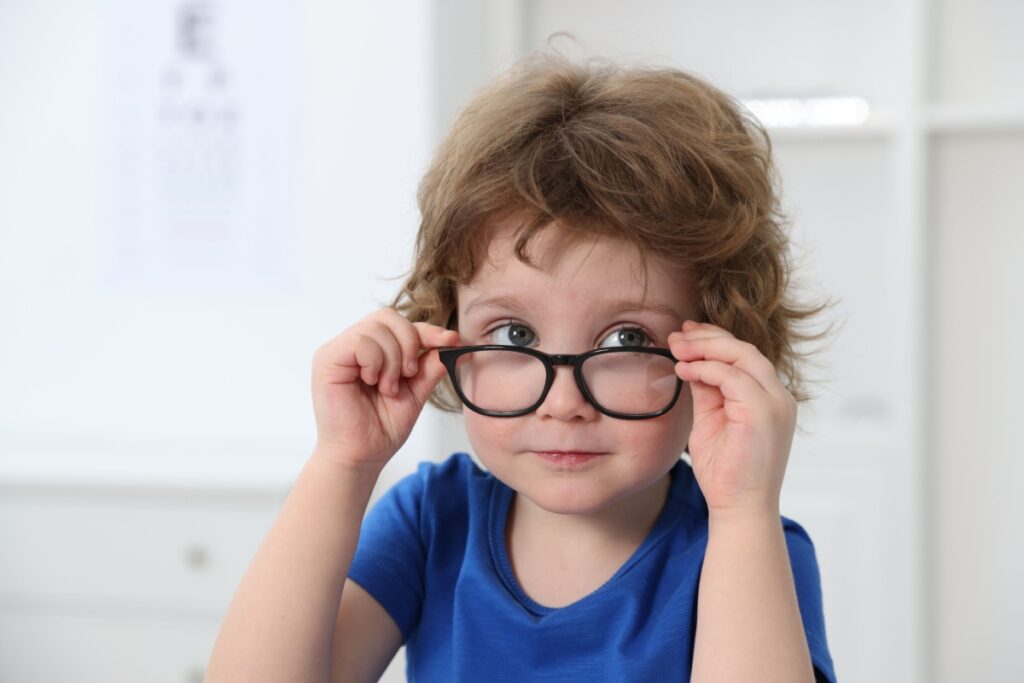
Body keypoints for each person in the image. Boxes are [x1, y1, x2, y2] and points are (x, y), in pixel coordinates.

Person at [206, 49, 838, 683]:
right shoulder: (431, 520)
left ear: (720, 352)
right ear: (448, 336)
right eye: (512, 332)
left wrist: (744, 510)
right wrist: (342, 462)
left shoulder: (749, 543)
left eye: (624, 339)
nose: (562, 403)